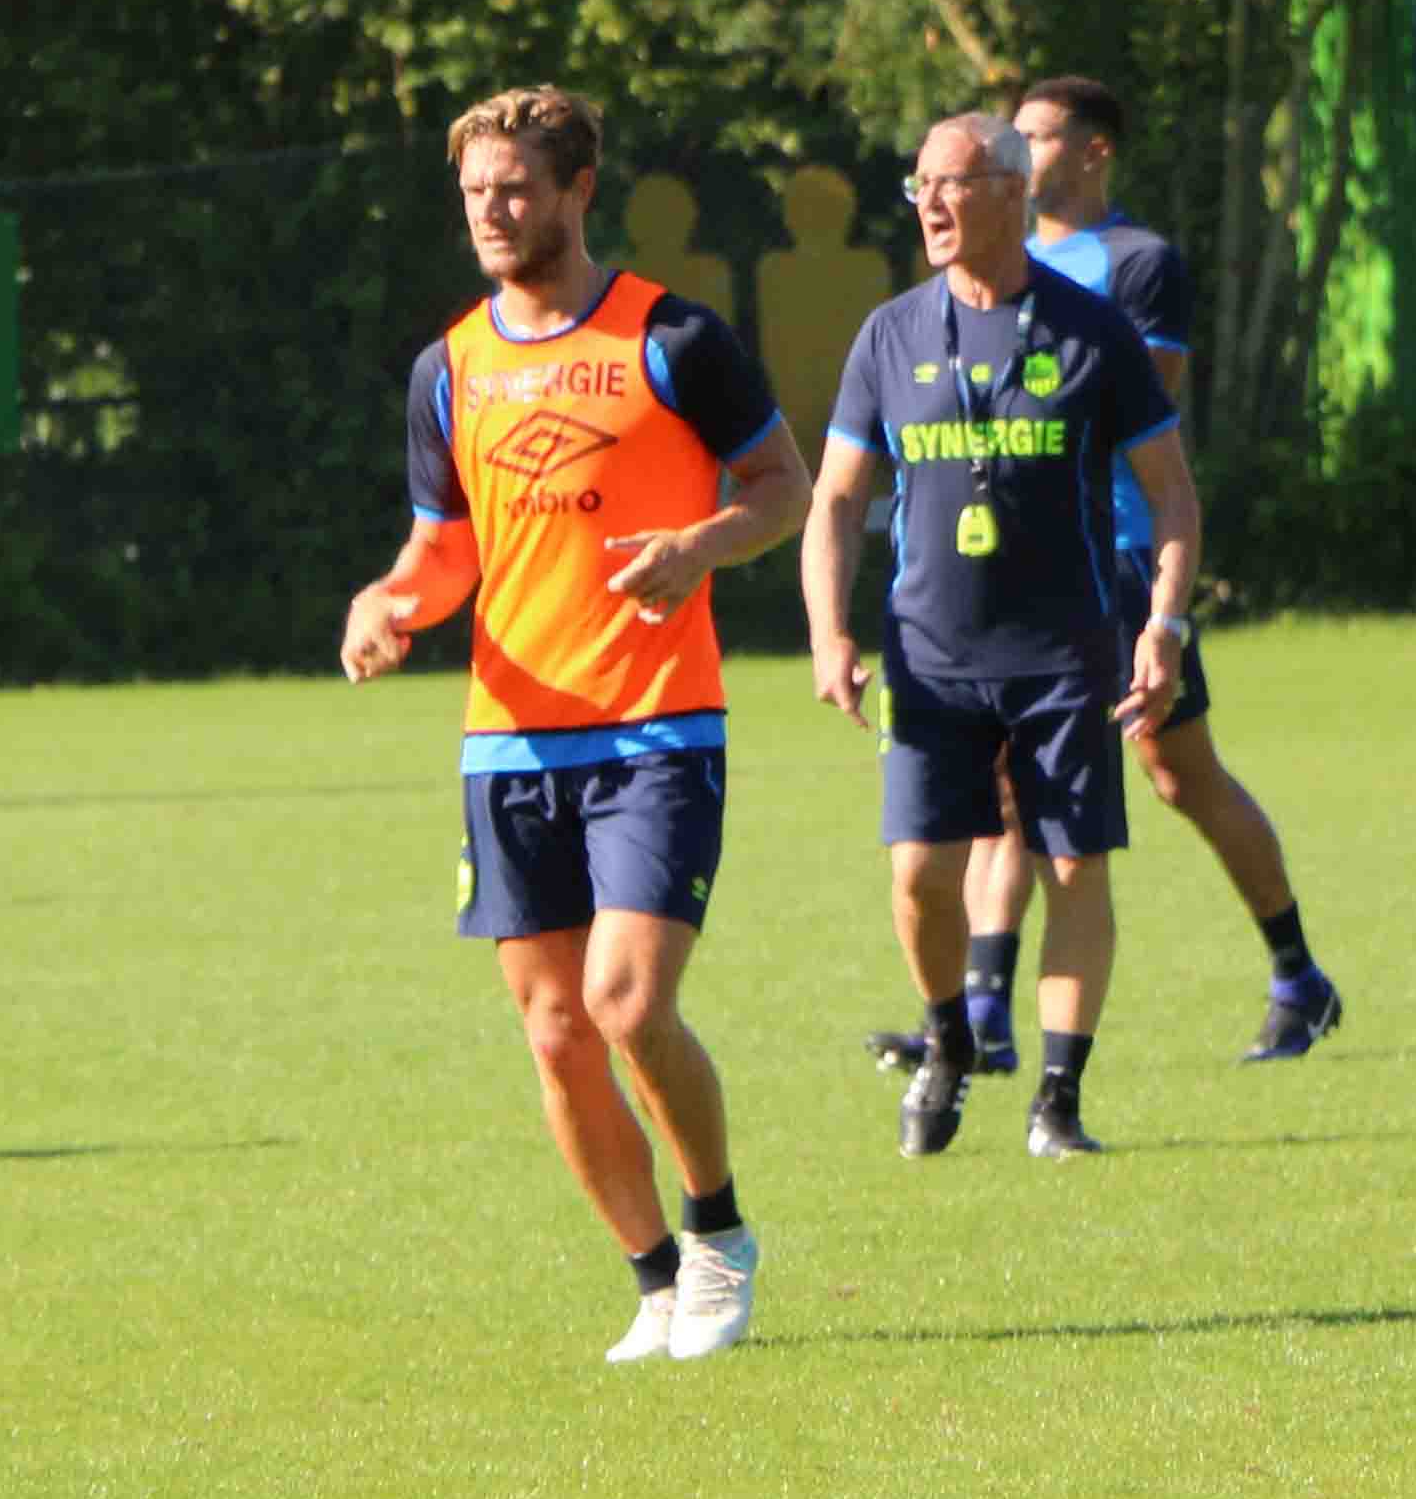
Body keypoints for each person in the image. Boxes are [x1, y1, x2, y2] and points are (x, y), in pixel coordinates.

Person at [344, 88, 808, 1364]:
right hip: (510, 738)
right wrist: (390, 605)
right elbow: (445, 551)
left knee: (623, 1000)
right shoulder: (450, 367)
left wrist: (697, 546)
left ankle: (718, 1235)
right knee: (555, 1033)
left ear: (576, 190)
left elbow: (782, 487)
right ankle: (652, 1278)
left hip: (657, 725)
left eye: (514, 190)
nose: (492, 215)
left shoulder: (675, 340)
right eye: (475, 195)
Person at [870, 76, 1341, 1078]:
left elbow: (1132, 407)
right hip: (1013, 582)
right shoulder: (984, 264)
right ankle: (985, 1014)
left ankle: (1297, 972)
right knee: (1000, 800)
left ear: (1091, 152)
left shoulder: (1135, 267)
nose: (1018, 152)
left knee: (1180, 776)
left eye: (1037, 137)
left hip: (1116, 562)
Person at [801, 111, 1199, 1160]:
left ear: (1013, 192)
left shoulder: (1091, 331)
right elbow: (837, 501)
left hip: (1068, 651)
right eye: (919, 185)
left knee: (1075, 869)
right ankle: (947, 1042)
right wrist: (827, 631)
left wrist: (1162, 625)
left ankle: (1058, 1101)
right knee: (919, 875)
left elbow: (1172, 497)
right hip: (929, 656)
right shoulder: (890, 333)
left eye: (953, 182)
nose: (930, 204)